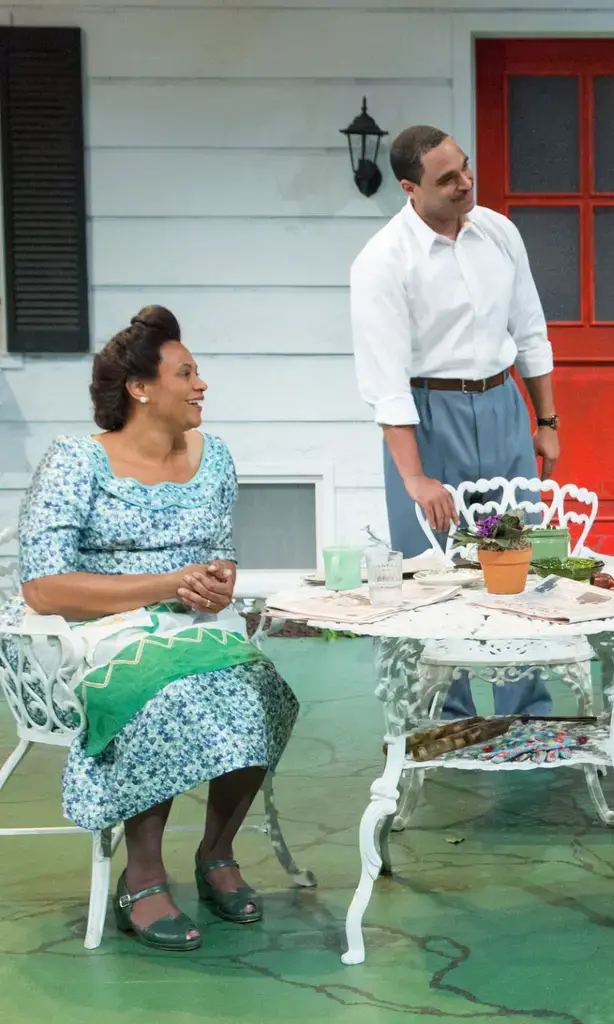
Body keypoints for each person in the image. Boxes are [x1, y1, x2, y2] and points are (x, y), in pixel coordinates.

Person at [7, 307, 299, 951]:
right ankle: (140, 876)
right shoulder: (75, 463)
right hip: (96, 634)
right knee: (167, 692)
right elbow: (43, 588)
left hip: (195, 628)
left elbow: (218, 557)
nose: (202, 385)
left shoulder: (213, 457)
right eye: (186, 373)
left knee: (264, 691)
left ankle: (216, 853)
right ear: (141, 389)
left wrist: (217, 581)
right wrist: (166, 586)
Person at [349, 124, 560, 720]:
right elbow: (385, 384)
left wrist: (546, 419)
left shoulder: (499, 232)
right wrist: (415, 480)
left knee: (516, 560)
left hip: (501, 405)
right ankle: (447, 717)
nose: (465, 183)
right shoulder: (383, 262)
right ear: (410, 188)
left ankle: (527, 711)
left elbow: (530, 329)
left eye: (465, 168)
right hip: (427, 417)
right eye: (448, 179)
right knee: (434, 573)